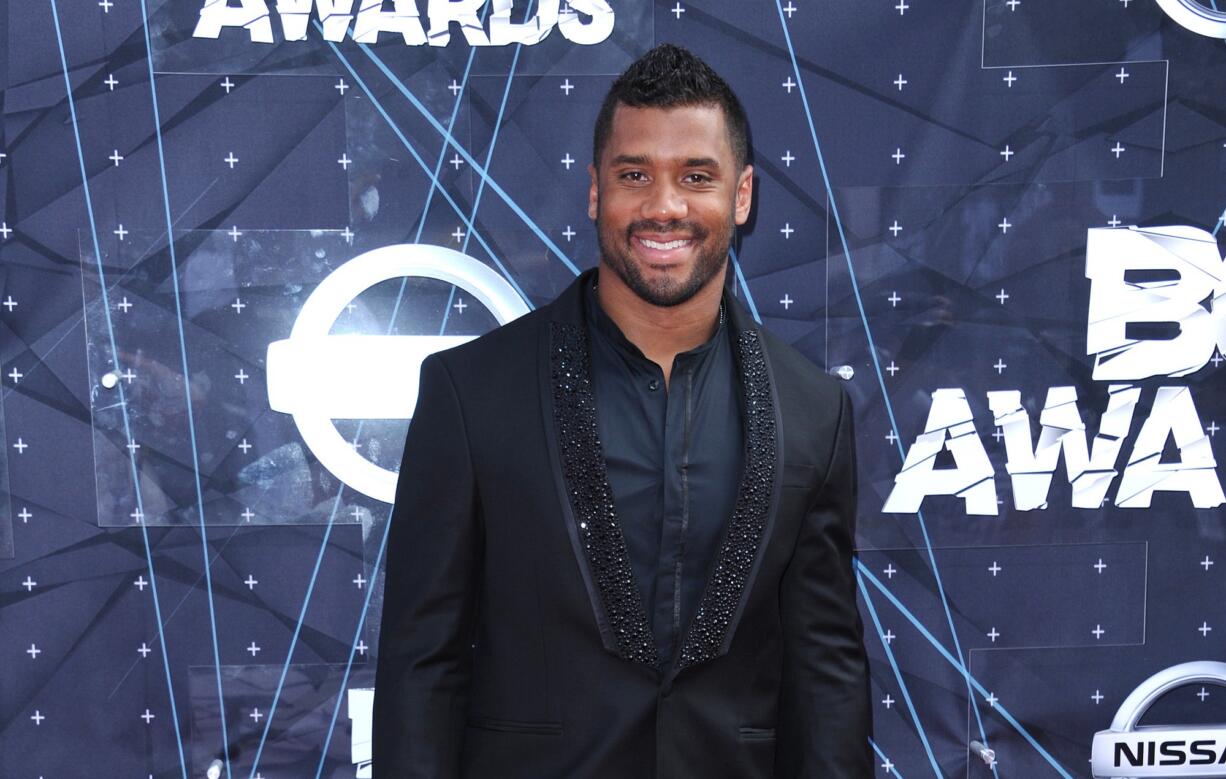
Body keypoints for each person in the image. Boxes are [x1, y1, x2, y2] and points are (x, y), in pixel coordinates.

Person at [374, 43, 872, 778]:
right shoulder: (471, 393)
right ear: (595, 192)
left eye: (696, 177)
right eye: (634, 174)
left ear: (742, 196)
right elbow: (423, 664)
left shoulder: (814, 410)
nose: (663, 205)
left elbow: (826, 677)